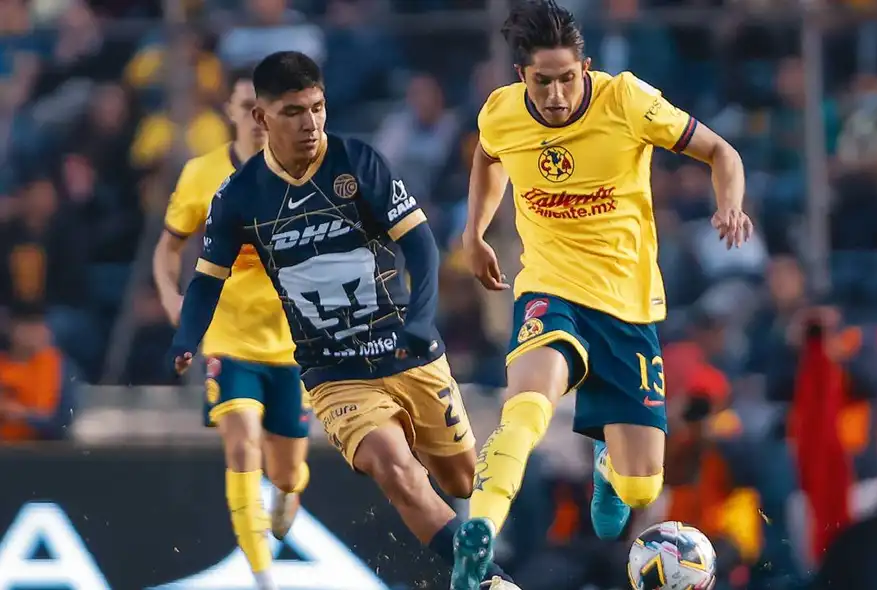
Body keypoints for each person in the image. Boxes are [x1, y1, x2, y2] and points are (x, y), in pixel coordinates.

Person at [167, 51, 513, 590]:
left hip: (406, 346)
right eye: (293, 112)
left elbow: (419, 246)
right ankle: (488, 581)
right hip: (333, 372)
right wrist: (187, 338)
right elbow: (208, 278)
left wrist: (420, 321)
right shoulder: (238, 196)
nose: (310, 124)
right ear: (260, 118)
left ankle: (467, 546)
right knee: (395, 471)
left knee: (462, 479)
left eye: (317, 108)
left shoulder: (357, 162)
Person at [451, 2, 751, 588]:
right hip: (549, 288)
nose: (558, 94)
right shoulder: (503, 114)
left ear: (586, 67)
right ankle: (478, 538)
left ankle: (606, 461)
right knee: (528, 406)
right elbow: (489, 160)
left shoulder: (627, 101)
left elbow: (723, 152)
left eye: (568, 78)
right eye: (543, 81)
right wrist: (474, 231)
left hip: (626, 304)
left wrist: (729, 203)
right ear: (521, 78)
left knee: (642, 486)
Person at [152, 68, 310, 590]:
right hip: (227, 338)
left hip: (291, 345)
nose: (257, 118)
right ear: (233, 113)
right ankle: (262, 576)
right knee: (241, 443)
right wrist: (173, 300)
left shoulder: (304, 169)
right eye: (247, 107)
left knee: (286, 471)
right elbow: (169, 246)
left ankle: (288, 492)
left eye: (264, 108)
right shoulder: (202, 174)